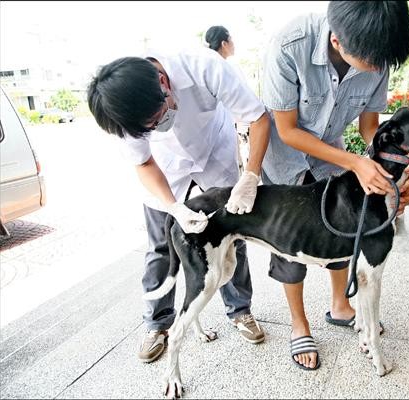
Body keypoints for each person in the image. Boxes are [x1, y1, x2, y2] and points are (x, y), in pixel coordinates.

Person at [87, 48, 271, 363]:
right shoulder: (123, 114)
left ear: (163, 82)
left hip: (213, 154)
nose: (156, 128)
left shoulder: (206, 67)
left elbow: (257, 119)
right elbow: (143, 162)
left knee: (231, 238)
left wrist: (251, 175)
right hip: (166, 170)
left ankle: (239, 310)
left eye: (155, 120)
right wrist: (174, 207)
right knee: (160, 247)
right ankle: (158, 324)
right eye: (148, 128)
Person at [261, 1, 409, 370]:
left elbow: (368, 129)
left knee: (345, 232)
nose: (379, 70)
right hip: (284, 158)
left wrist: (395, 173)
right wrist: (355, 163)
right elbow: (288, 131)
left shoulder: (377, 53)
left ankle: (340, 305)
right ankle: (299, 325)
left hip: (334, 156)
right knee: (289, 245)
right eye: (374, 63)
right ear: (338, 41)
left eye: (384, 64)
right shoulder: (289, 45)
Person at [205, 25, 251, 171]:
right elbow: (246, 102)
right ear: (224, 44)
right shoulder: (228, 67)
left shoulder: (204, 67)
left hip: (216, 133)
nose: (234, 44)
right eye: (231, 39)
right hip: (233, 128)